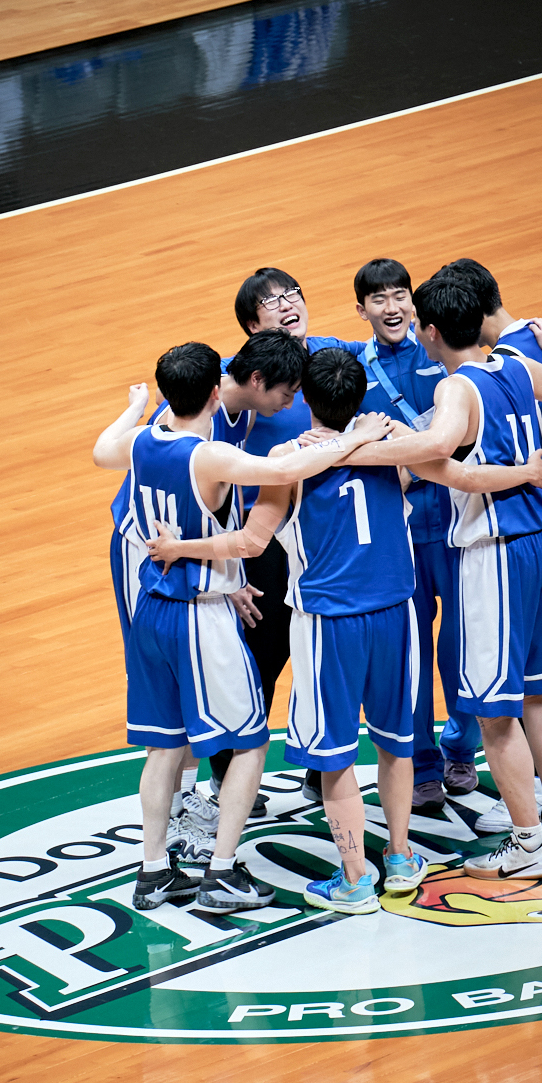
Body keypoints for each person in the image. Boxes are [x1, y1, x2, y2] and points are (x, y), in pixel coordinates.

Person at [147, 347, 542, 913]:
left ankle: (356, 878)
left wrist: (179, 548)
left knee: (334, 756)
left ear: (305, 399)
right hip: (397, 615)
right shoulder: (395, 448)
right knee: (396, 745)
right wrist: (524, 472)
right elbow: (453, 468)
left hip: (328, 623)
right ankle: (401, 858)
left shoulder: (290, 461)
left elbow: (251, 543)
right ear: (360, 398)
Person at [93, 341, 390, 914]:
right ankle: (222, 873)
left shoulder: (143, 440)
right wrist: (354, 437)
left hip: (150, 606)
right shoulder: (207, 456)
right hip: (197, 614)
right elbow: (283, 470)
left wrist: (133, 407)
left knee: (164, 747)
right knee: (250, 742)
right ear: (214, 392)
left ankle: (153, 873)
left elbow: (103, 450)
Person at [409, 270, 542, 879]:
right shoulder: (517, 365)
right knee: (537, 691)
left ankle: (527, 843)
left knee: (494, 711)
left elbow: (437, 453)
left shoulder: (455, 388)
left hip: (498, 553)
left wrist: (367, 445)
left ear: (431, 332)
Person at [105, 330, 308, 843]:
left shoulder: (218, 415)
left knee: (177, 702)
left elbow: (106, 451)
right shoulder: (191, 431)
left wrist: (225, 577)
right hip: (147, 551)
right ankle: (179, 815)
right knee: (172, 694)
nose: (290, 404)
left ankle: (174, 815)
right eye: (286, 392)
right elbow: (192, 511)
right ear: (246, 382)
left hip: (185, 555)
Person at [450, 257, 542, 831]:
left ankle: (541, 787)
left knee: (533, 662)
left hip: (532, 505)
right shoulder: (541, 339)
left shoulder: (499, 366)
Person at [230, 267, 366, 804]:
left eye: (292, 294)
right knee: (265, 654)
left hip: (329, 534)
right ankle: (227, 770)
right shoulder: (240, 381)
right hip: (266, 539)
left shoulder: (335, 354)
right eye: (272, 301)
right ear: (251, 325)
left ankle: (322, 765)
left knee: (325, 650)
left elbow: (393, 348)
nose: (288, 305)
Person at [351, 256, 482, 814]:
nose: (392, 307)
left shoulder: (441, 354)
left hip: (457, 523)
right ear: (361, 310)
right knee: (412, 656)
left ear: (414, 301)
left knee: (463, 644)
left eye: (400, 294)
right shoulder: (355, 370)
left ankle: (463, 747)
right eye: (378, 298)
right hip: (399, 536)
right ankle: (423, 764)